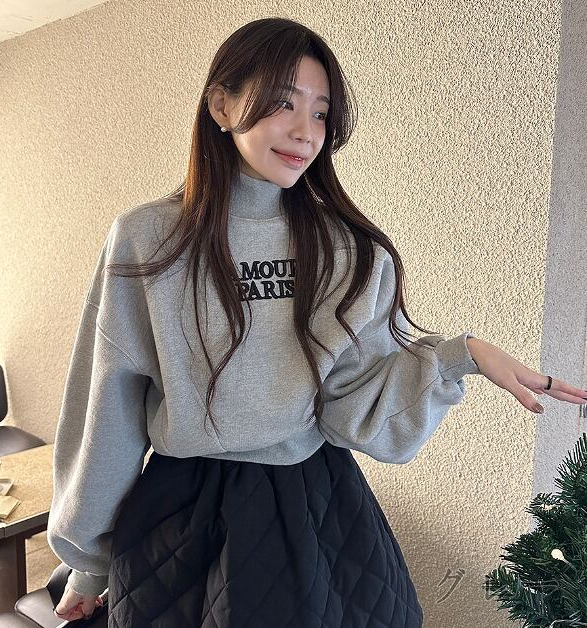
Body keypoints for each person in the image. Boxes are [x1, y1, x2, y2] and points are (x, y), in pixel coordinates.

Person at [47, 17, 587, 627]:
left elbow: (354, 409)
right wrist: (88, 560)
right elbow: (108, 406)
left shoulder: (347, 249)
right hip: (181, 514)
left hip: (317, 509)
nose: (306, 131)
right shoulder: (149, 239)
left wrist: (462, 355)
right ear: (221, 105)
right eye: (284, 103)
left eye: (321, 112)